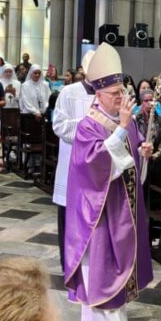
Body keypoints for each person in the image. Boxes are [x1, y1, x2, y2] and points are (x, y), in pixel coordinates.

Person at [64, 44, 154, 321]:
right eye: (115, 92)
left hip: (125, 206)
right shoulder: (89, 125)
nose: (121, 97)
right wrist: (120, 130)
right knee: (104, 268)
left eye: (122, 91)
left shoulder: (124, 118)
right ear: (98, 94)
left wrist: (143, 151)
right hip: (100, 209)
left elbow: (132, 151)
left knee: (122, 264)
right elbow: (95, 165)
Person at [52, 51, 95, 267]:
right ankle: (69, 263)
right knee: (69, 214)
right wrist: (89, 127)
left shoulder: (108, 95)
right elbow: (59, 126)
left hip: (97, 168)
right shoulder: (68, 92)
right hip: (73, 162)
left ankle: (92, 261)